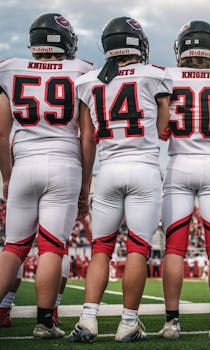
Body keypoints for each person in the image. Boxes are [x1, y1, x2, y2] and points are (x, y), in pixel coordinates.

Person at [67, 16, 171, 343]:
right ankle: (128, 323)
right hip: (143, 168)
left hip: (108, 170)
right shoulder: (154, 75)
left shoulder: (88, 82)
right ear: (138, 44)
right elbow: (163, 126)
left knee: (101, 249)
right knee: (138, 249)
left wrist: (85, 186)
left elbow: (87, 138)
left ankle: (88, 320)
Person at [0, 13, 93, 338]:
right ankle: (45, 321)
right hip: (63, 162)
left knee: (13, 247)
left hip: (24, 162)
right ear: (66, 41)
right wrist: (85, 184)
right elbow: (86, 135)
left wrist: (8, 178)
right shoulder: (82, 70)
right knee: (52, 247)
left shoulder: (10, 68)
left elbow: (1, 134)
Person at [159, 20, 210, 340]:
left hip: (179, 162)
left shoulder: (166, 75)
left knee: (174, 249)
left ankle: (171, 323)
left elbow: (161, 121)